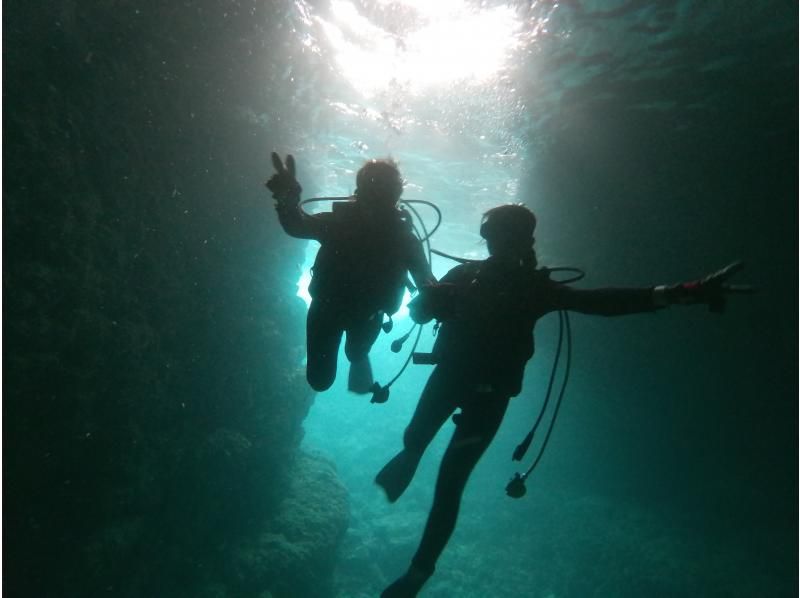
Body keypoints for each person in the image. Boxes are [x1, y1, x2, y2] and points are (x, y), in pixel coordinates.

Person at [375, 203, 749, 597]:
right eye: (495, 236)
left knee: (449, 484)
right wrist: (426, 304)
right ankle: (412, 465)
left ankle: (418, 573)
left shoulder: (534, 289)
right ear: (489, 239)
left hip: (483, 394)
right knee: (415, 442)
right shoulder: (465, 276)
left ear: (522, 242)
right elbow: (417, 313)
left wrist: (680, 293)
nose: (498, 244)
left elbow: (602, 302)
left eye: (506, 237)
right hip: (455, 381)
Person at [266, 152, 434, 393]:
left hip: (356, 313)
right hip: (338, 311)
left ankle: (357, 357)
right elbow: (425, 279)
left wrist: (288, 201)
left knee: (346, 360)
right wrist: (286, 201)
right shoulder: (351, 226)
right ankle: (358, 358)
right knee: (322, 379)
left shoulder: (395, 236)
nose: (376, 201)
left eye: (382, 193)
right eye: (373, 191)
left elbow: (297, 225)